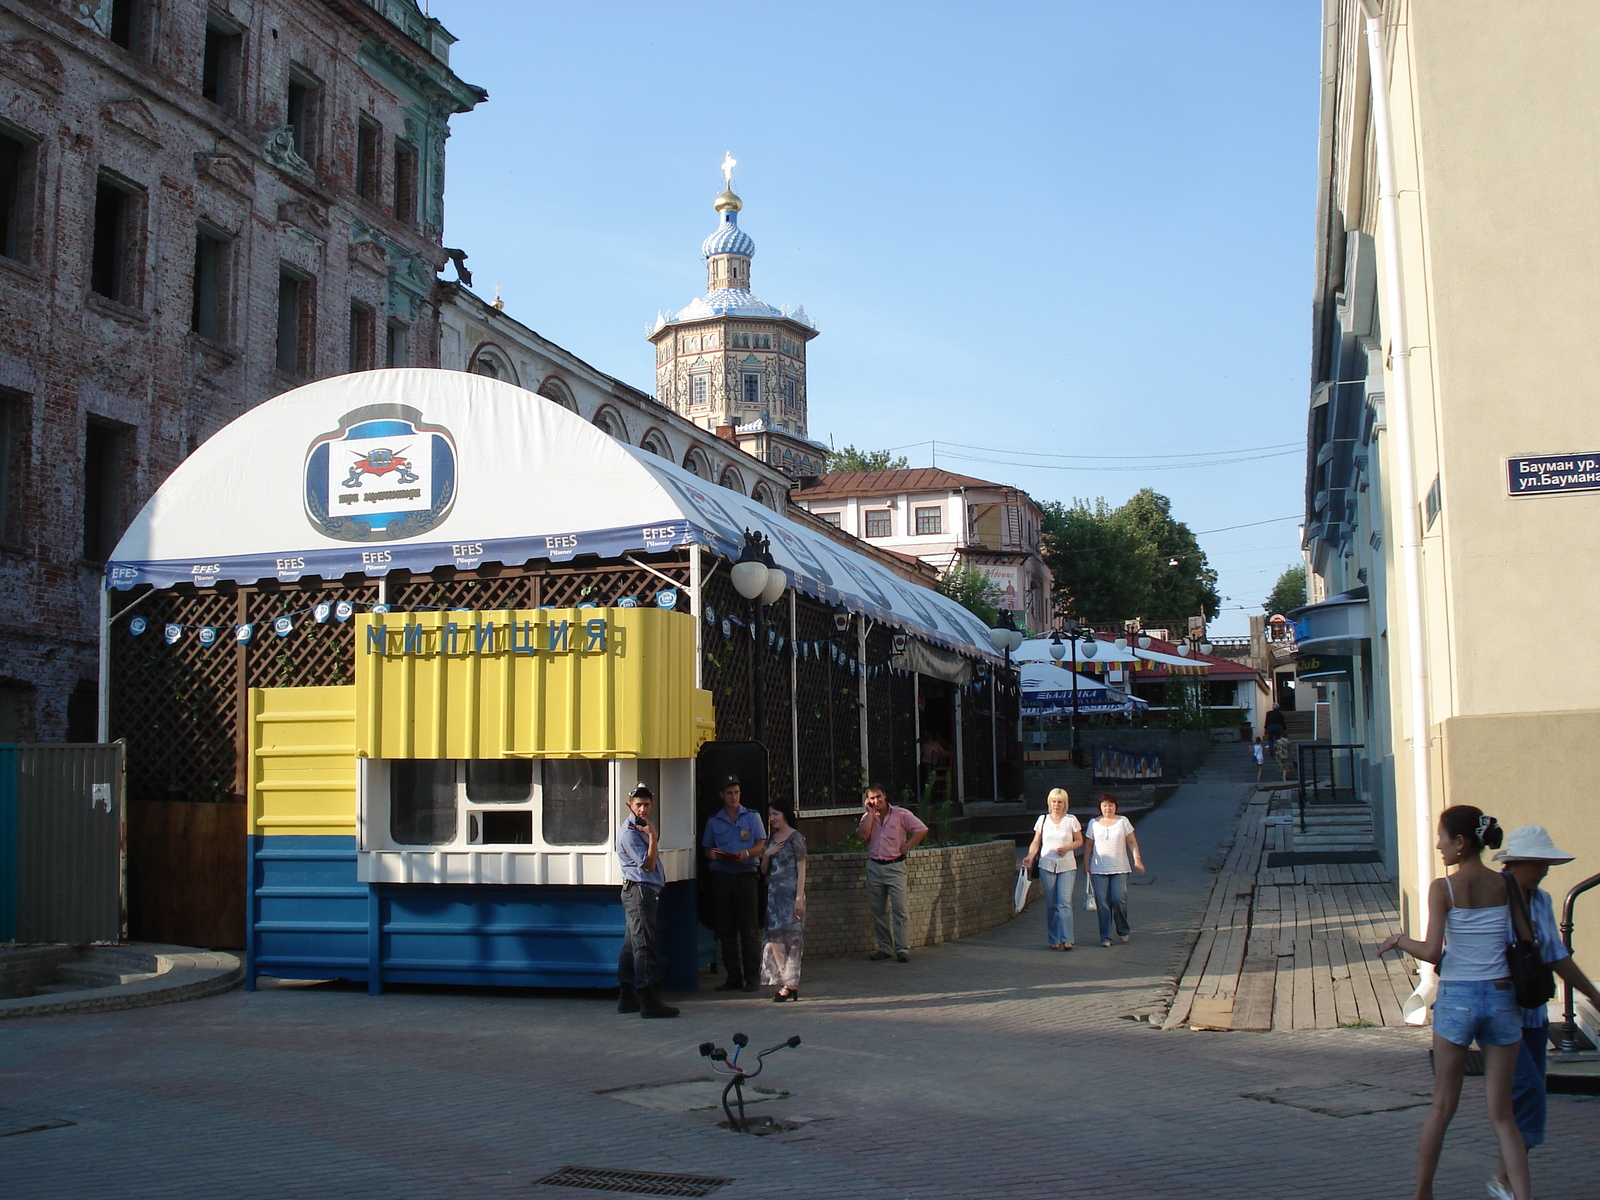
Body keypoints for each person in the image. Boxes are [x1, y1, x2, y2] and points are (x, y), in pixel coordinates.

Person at [1377, 806, 1530, 1200]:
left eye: (1442, 838)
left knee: (1442, 1107)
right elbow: (1526, 939)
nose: (1438, 845)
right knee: (1503, 1116)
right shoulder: (1505, 884)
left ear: (1460, 843)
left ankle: (1423, 1193)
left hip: (1459, 997)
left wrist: (1398, 940)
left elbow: (1430, 952)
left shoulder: (1442, 888)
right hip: (1500, 996)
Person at [1488, 826, 1600, 1200]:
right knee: (1528, 1092)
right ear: (1515, 864)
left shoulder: (1543, 901)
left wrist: (1592, 995)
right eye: (1538, 864)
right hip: (1500, 1011)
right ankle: (1509, 1184)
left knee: (1527, 1095)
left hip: (1532, 1013)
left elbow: (1555, 954)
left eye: (1546, 864)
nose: (1544, 870)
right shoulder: (1492, 897)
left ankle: (1505, 1177)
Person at [614, 783, 678, 1018]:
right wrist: (653, 837)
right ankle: (647, 998)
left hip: (641, 891)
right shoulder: (631, 833)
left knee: (631, 945)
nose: (642, 809)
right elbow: (648, 865)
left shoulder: (640, 828)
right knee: (644, 945)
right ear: (629, 805)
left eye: (646, 805)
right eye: (638, 805)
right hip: (640, 892)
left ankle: (626, 997)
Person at [701, 775, 765, 992]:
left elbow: (761, 843)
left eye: (736, 792)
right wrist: (712, 854)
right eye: (729, 793)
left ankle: (753, 978)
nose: (733, 797)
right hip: (722, 878)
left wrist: (746, 853)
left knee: (749, 929)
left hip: (745, 876)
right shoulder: (714, 820)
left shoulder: (752, 817)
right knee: (726, 930)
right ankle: (733, 977)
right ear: (722, 795)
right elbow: (707, 848)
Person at [857, 783, 928, 962]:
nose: (876, 801)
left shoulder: (901, 814)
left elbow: (921, 829)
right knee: (878, 909)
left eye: (878, 797)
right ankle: (884, 947)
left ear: (885, 796)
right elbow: (863, 835)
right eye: (872, 798)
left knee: (900, 908)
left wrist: (907, 846)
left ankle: (902, 948)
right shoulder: (867, 817)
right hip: (875, 867)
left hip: (895, 866)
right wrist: (870, 814)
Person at [1022, 787, 1083, 950]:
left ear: (1065, 804)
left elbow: (1079, 840)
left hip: (1067, 865)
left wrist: (1068, 847)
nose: (1057, 805)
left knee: (1064, 902)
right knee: (1052, 903)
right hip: (1047, 865)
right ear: (1050, 802)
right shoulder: (1043, 820)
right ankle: (1053, 938)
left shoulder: (1071, 820)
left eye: (1060, 802)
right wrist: (1029, 856)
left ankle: (1067, 939)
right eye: (1054, 801)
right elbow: (1036, 841)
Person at [759, 802, 807, 1001]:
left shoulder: (796, 838)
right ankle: (783, 981)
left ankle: (791, 984)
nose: (772, 818)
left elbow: (802, 869)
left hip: (791, 896)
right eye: (770, 815)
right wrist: (767, 855)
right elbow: (763, 871)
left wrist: (799, 898)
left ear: (784, 814)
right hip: (774, 897)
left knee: (792, 940)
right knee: (775, 940)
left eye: (775, 814)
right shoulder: (771, 839)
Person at [1083, 793, 1143, 948]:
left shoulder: (1123, 822)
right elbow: (1089, 845)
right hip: (1099, 868)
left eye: (1110, 805)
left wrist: (1137, 859)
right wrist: (1086, 863)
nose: (1107, 808)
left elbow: (1131, 841)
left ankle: (1123, 929)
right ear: (1100, 807)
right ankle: (1105, 936)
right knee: (1102, 903)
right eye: (1104, 805)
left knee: (1118, 899)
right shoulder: (1093, 823)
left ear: (1115, 806)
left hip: (1120, 867)